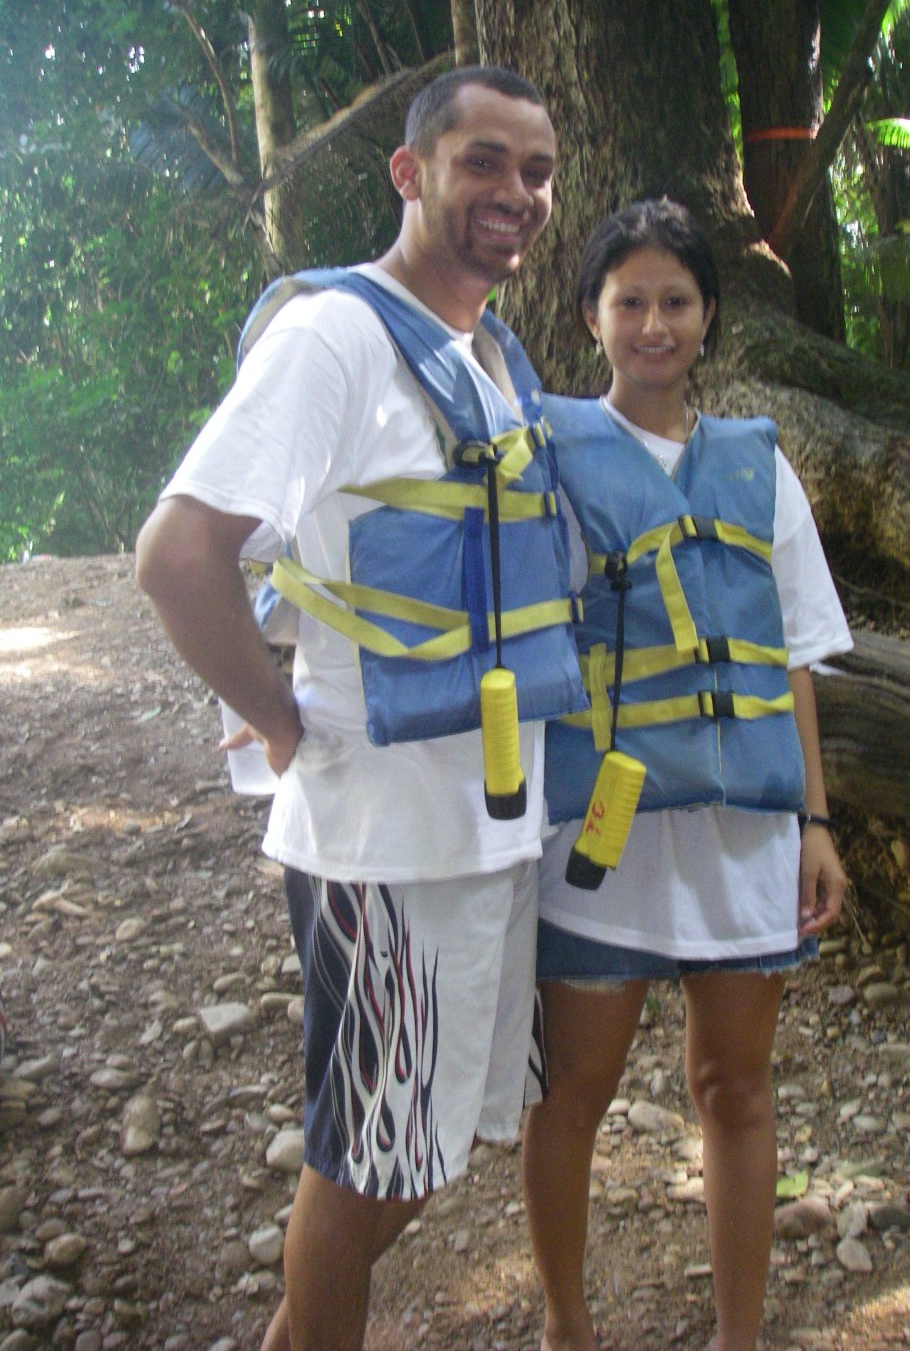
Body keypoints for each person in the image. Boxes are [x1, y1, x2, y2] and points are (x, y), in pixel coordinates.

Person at [136, 66, 565, 1351]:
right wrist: (278, 720)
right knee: (365, 1157)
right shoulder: (337, 336)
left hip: (492, 824)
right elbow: (176, 556)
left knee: (422, 1152)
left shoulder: (491, 354)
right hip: (380, 843)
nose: (514, 194)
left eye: (535, 170)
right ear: (410, 171)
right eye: (482, 161)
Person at [522, 199, 852, 1351]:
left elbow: (795, 660)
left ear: (709, 316)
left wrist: (814, 818)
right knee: (574, 1092)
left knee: (735, 1089)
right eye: (630, 302)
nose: (653, 324)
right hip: (602, 839)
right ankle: (568, 1327)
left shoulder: (761, 472)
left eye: (674, 301)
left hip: (742, 835)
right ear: (590, 317)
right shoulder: (550, 465)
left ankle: (737, 1338)